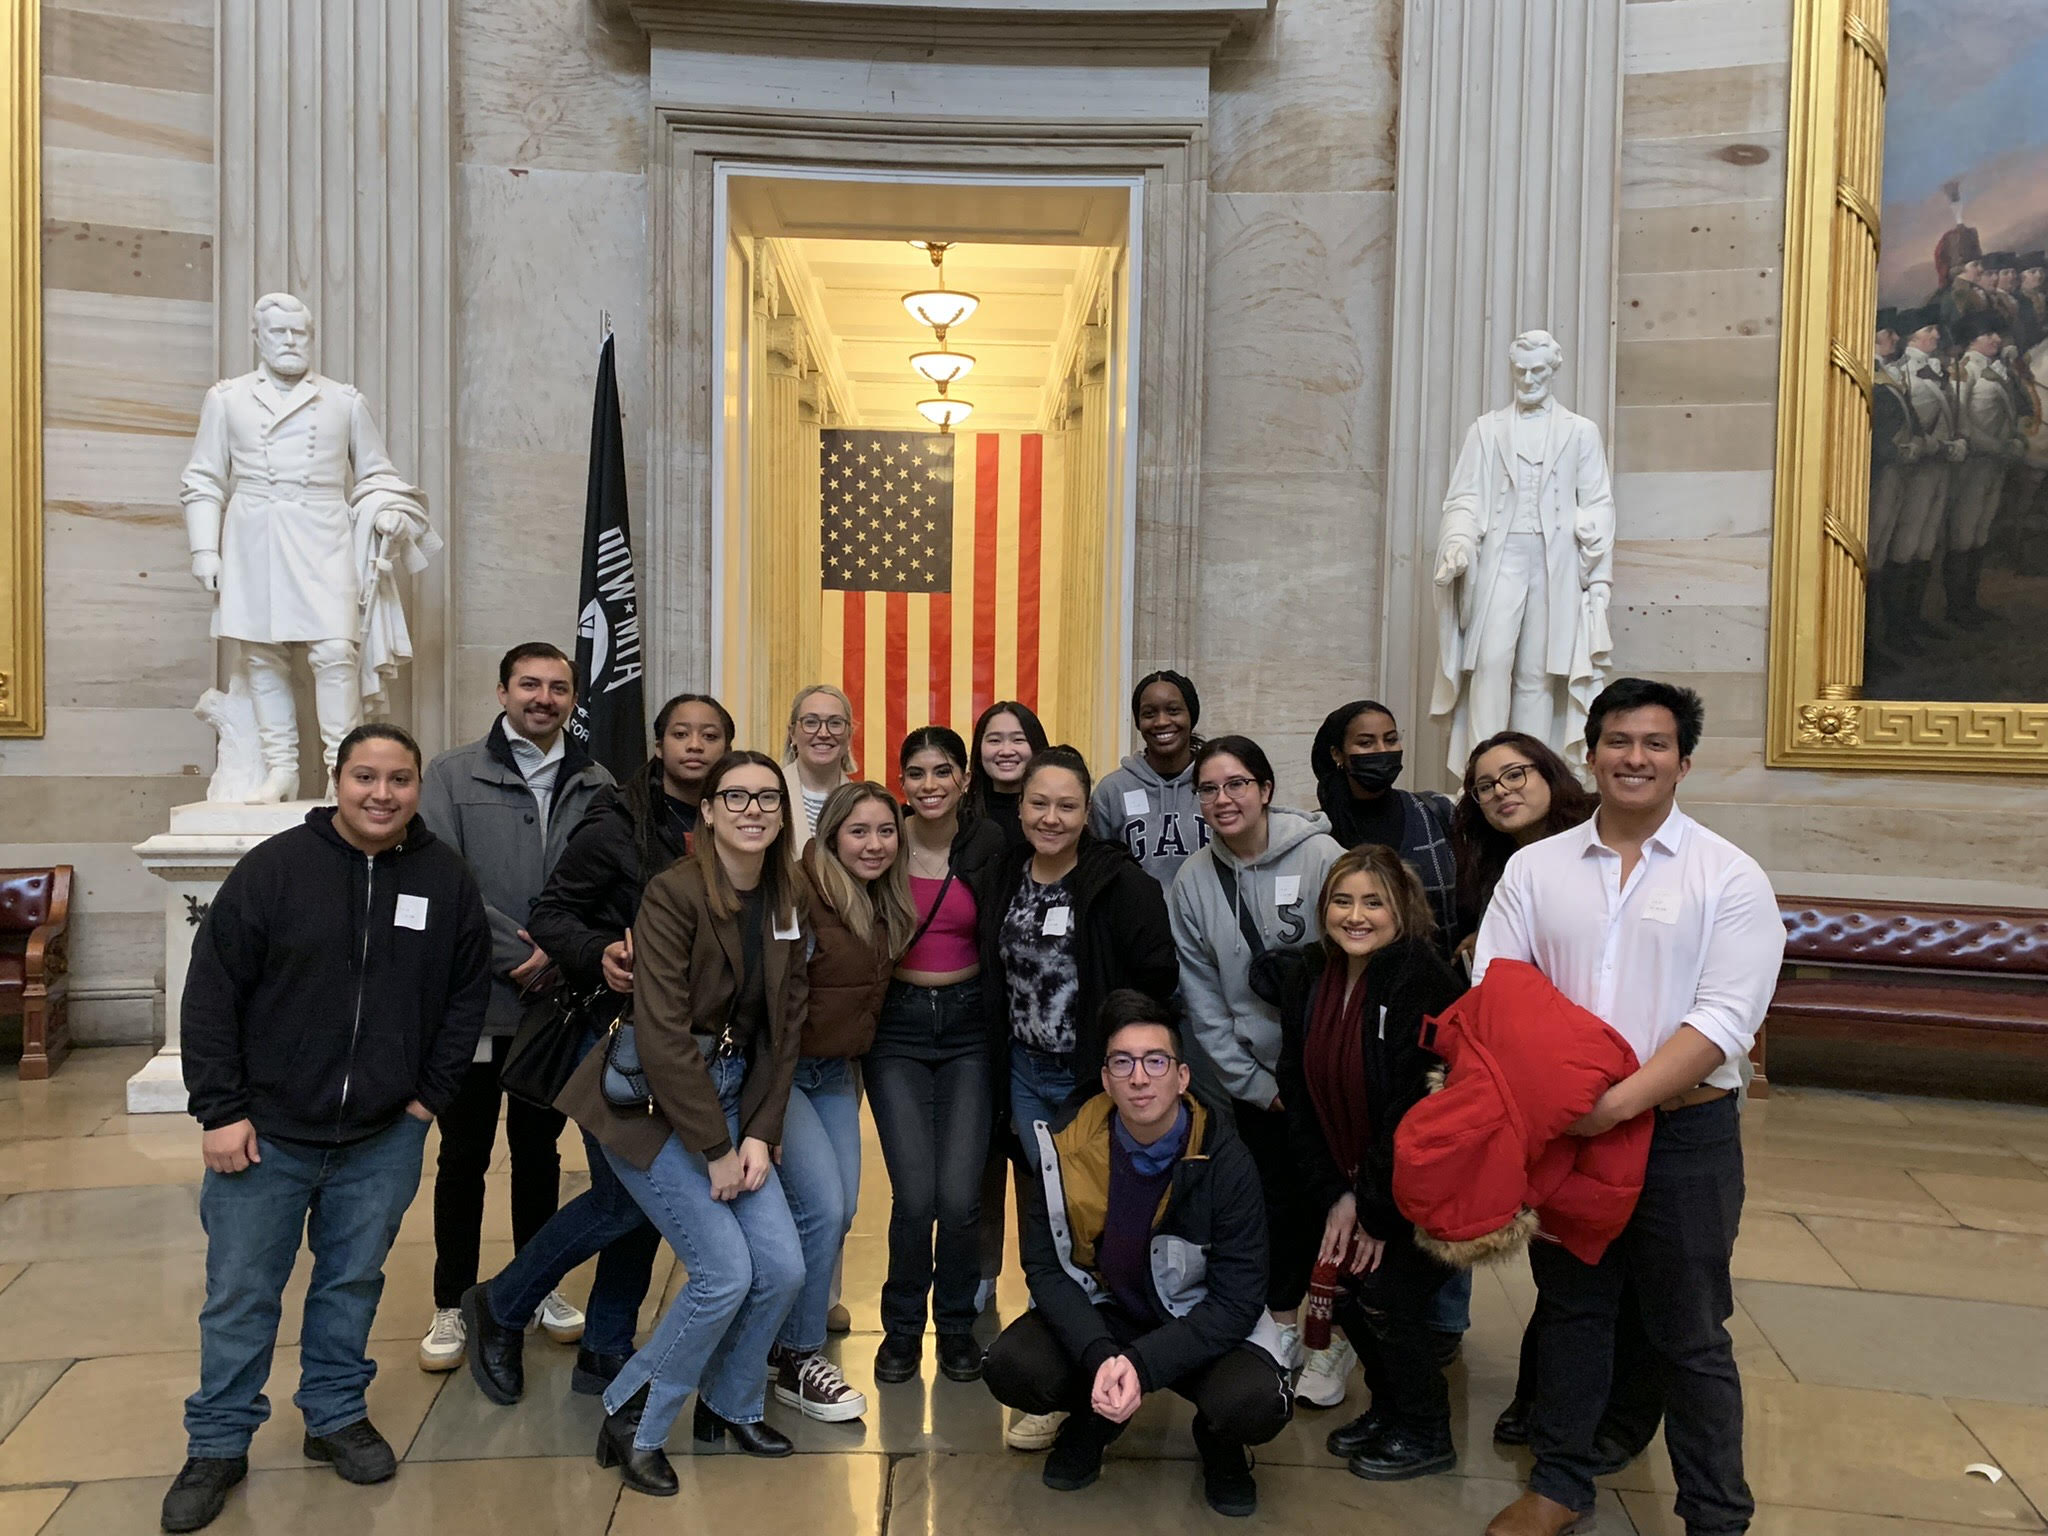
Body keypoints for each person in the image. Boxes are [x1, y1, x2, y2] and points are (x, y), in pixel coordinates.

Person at [164, 724, 491, 1534]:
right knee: (242, 1294)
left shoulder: (444, 880)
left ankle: (335, 1414)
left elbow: (464, 999)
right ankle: (217, 1440)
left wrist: (426, 1103)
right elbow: (210, 994)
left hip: (383, 1135)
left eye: (400, 779)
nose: (382, 795)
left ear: (418, 788)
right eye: (365, 777)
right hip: (265, 1134)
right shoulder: (275, 870)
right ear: (337, 781)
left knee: (353, 1282)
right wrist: (221, 1109)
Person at [1477, 679, 1785, 1536]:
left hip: (1683, 1135)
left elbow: (1725, 1020)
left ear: (1684, 761)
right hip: (1567, 1137)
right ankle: (1560, 1485)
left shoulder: (1729, 876)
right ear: (1591, 753)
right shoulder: (1535, 869)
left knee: (1688, 1334)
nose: (1635, 758)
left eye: (1654, 744)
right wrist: (1570, 1108)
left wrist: (1613, 1104)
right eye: (1618, 741)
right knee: (1574, 1311)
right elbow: (1498, 991)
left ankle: (1716, 1516)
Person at [462, 693, 734, 1407]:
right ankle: (503, 1300)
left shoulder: (732, 820)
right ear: (658, 744)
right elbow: (552, 913)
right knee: (626, 1198)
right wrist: (600, 951)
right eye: (682, 734)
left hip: (688, 1043)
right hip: (612, 1035)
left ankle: (605, 1346)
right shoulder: (617, 821)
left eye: (710, 736)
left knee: (642, 1197)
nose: (695, 747)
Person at [555, 750, 810, 1496]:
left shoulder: (788, 898)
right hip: (653, 1107)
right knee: (723, 1273)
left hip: (739, 1098)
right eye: (736, 796)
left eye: (768, 798)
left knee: (784, 1268)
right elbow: (662, 1035)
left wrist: (760, 1131)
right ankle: (635, 1415)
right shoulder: (671, 895)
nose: (754, 809)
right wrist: (718, 1147)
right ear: (706, 811)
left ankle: (728, 1404)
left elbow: (784, 1030)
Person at [983, 991, 1292, 1518]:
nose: (1139, 1078)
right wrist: (1103, 1354)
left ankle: (1218, 1439)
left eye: (1156, 1061)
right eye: (1122, 1063)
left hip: (1197, 1323)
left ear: (1182, 1077)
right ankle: (1097, 1413)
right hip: (1109, 1315)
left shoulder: (1224, 1159)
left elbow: (1238, 1301)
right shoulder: (1067, 1150)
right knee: (1012, 1367)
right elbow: (1044, 1269)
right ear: (1105, 1080)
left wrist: (1142, 1366)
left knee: (1254, 1404)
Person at [1449, 731, 1664, 1462]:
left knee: (1631, 1267)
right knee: (1563, 1251)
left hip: (1620, 1070)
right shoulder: (1492, 869)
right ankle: (1543, 1394)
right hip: (1540, 1082)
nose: (1504, 790)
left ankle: (1613, 1416)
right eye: (1486, 785)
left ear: (1551, 773)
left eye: (1517, 774)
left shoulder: (1601, 847)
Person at [413, 642, 613, 1374]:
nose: (544, 697)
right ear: (502, 692)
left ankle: (536, 1289)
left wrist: (563, 955)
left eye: (559, 687)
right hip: (476, 1001)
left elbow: (609, 884)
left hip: (556, 1006)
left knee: (540, 1155)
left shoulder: (596, 780)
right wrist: (514, 952)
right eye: (530, 684)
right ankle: (451, 1299)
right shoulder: (451, 774)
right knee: (463, 1155)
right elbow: (442, 874)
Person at [982, 745, 1179, 1451]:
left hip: (1093, 1080)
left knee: (1099, 1218)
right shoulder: (1007, 869)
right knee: (1047, 1225)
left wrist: (1122, 1063)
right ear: (1021, 805)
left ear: (1086, 809)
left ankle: (1122, 1361)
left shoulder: (1117, 882)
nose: (1051, 817)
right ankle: (1062, 1378)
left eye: (1067, 805)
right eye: (1039, 803)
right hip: (1026, 1073)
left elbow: (1156, 974)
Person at [179, 294, 433, 801]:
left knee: (336, 652)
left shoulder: (343, 401)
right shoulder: (227, 399)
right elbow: (203, 479)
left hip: (324, 533)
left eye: (301, 333)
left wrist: (387, 507)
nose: (292, 343)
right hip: (254, 533)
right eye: (280, 333)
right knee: (262, 656)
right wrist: (204, 549)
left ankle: (346, 770)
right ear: (257, 337)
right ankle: (282, 771)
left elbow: (377, 471)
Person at [1268, 845, 1466, 1479]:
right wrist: (1336, 1194)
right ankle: (1390, 1411)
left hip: (1410, 1181)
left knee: (1390, 1297)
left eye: (1373, 902)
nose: (1356, 916)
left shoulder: (1421, 978)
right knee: (1351, 1294)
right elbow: (1295, 1087)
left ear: (1400, 909)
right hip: (1343, 1175)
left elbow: (1417, 1106)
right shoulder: (1310, 974)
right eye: (1343, 901)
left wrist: (1374, 1208)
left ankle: (1428, 1430)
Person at [1167, 735, 1343, 1381]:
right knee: (1276, 1203)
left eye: (1237, 783)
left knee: (1342, 1201)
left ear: (1266, 789)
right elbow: (1202, 999)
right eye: (1209, 789)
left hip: (1331, 1072)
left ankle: (1335, 1335)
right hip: (1258, 1083)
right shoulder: (1192, 880)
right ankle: (1286, 1323)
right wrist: (1253, 1084)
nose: (1224, 799)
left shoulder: (1322, 855)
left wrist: (1333, 1072)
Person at [867, 727, 1007, 1387]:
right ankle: (899, 1332)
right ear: (903, 782)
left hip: (969, 1030)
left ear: (963, 780)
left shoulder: (990, 846)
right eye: (916, 773)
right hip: (896, 1032)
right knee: (915, 1194)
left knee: (959, 1197)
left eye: (942, 771)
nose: (929, 785)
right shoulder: (881, 842)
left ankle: (955, 1329)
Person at [772, 781, 917, 1420]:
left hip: (834, 1075)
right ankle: (797, 1358)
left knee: (841, 1208)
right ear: (831, 834)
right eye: (859, 831)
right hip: (785, 1075)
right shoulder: (800, 893)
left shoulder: (881, 897)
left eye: (886, 831)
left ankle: (781, 1335)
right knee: (823, 1209)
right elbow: (772, 1000)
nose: (875, 844)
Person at [1311, 700, 1461, 951]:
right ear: (1338, 754)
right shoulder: (1319, 831)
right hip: (1352, 979)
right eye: (1366, 743)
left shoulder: (1435, 812)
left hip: (1440, 977)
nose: (1381, 750)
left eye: (1391, 740)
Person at [1089, 670, 1209, 888]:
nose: (1161, 721)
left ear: (1191, 715)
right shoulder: (1112, 791)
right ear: (1138, 721)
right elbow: (1098, 871)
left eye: (1173, 711)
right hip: (1135, 920)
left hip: (1208, 921)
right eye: (1149, 713)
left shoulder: (1215, 783)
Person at [1953, 311, 2026, 625]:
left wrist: (2015, 440)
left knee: (1981, 531)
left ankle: (1970, 604)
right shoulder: (1964, 370)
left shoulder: (1999, 370)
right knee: (1963, 532)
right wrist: (1998, 447)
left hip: (1994, 465)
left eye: (1997, 334)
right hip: (1972, 465)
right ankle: (1955, 609)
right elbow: (1961, 422)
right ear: (1972, 339)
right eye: (1989, 334)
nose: (1997, 340)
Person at [779, 683, 858, 851]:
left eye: (835, 723)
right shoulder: (770, 794)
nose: (823, 733)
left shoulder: (862, 801)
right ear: (792, 733)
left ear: (849, 734)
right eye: (811, 722)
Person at [967, 699, 1049, 847]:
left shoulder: (1051, 816)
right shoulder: (960, 816)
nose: (1006, 751)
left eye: (1018, 740)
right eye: (994, 741)